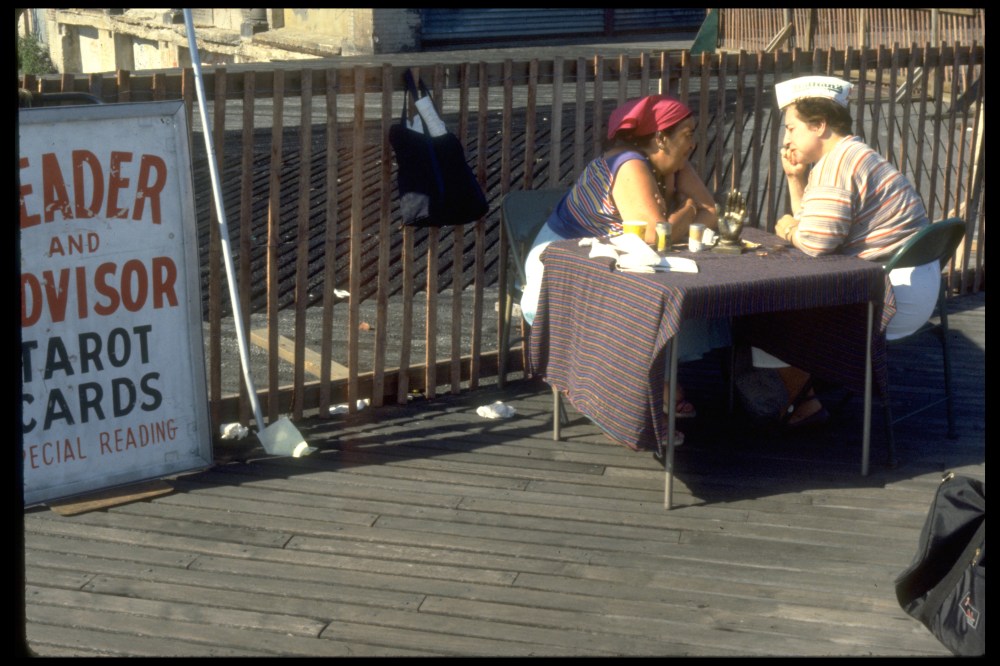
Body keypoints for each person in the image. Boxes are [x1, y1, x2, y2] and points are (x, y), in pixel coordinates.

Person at [520, 94, 730, 425]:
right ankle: (638, 388)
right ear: (661, 138)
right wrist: (689, 210)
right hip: (566, 264)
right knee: (641, 296)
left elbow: (712, 213)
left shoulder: (673, 161)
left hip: (621, 259)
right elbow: (654, 234)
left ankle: (649, 379)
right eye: (687, 133)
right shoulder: (630, 162)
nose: (694, 142)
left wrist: (683, 219)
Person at [756, 75, 939, 427]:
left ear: (819, 125)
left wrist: (789, 229)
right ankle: (809, 388)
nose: (787, 139)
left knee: (767, 309)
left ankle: (799, 401)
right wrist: (796, 180)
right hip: (915, 290)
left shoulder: (837, 165)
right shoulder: (854, 154)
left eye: (792, 128)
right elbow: (815, 231)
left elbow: (813, 243)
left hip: (888, 303)